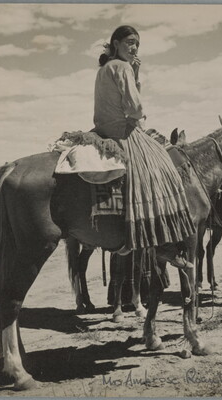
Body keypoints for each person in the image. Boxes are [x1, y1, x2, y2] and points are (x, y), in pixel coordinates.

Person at [93, 25, 196, 267]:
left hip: (101, 131)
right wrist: (135, 79)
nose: (134, 48)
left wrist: (135, 75)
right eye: (130, 42)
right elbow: (135, 108)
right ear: (116, 43)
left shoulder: (104, 69)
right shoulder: (122, 67)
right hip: (123, 132)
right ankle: (164, 243)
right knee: (163, 164)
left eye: (137, 44)